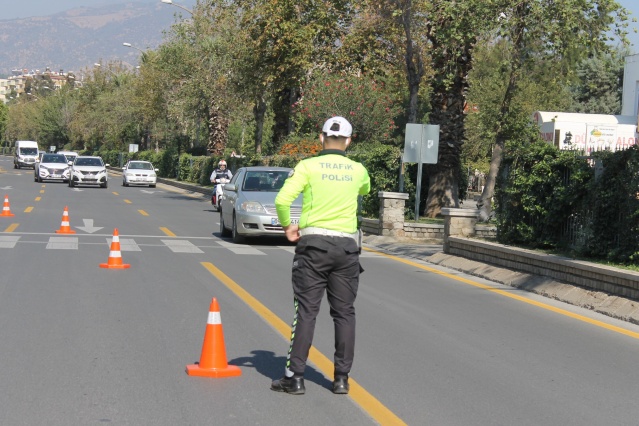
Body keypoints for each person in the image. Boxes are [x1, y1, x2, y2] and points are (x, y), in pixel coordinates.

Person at [271, 116, 371, 396]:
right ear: (349, 141)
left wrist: (288, 226)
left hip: (314, 246)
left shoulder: (307, 166)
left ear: (321, 138)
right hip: (347, 248)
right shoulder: (358, 169)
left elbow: (282, 200)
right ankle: (341, 379)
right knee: (344, 313)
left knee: (306, 311)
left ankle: (295, 377)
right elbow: (365, 189)